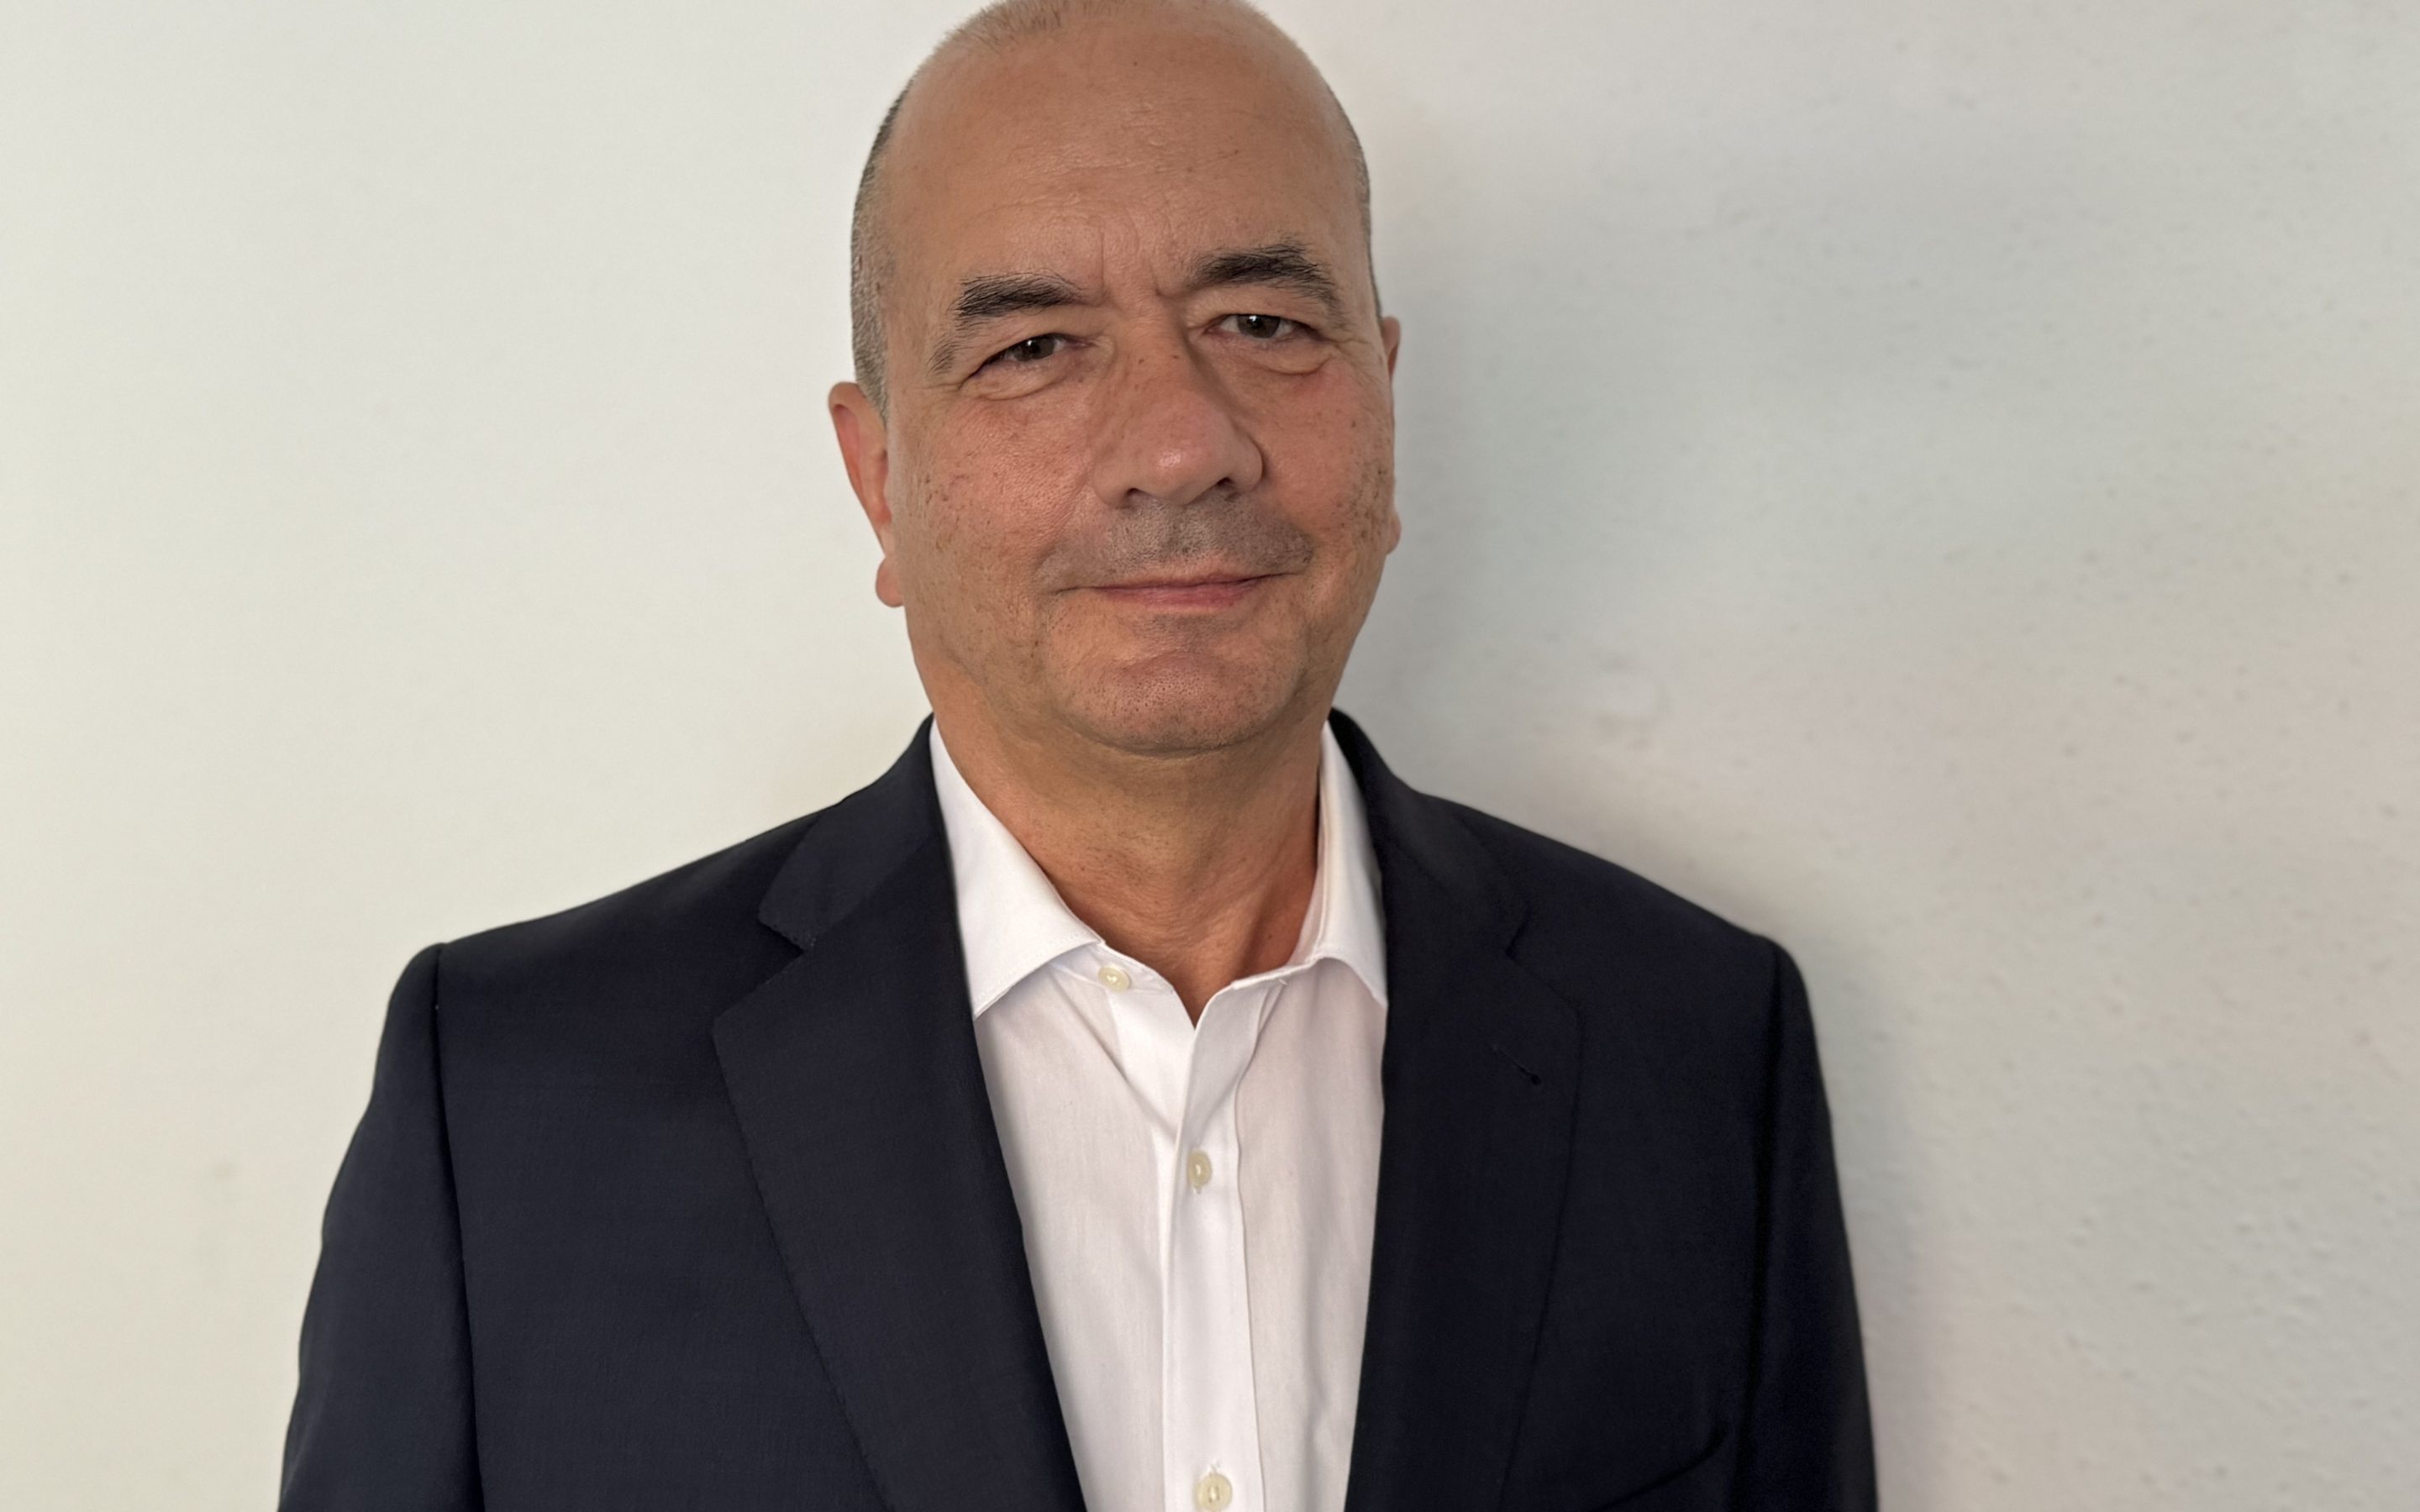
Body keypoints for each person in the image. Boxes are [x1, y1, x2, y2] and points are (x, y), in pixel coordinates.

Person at [279, 0, 1876, 1508]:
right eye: (1035, 346)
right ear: (879, 478)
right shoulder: (509, 1104)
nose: (1182, 444)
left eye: (1263, 321)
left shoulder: (1697, 1048)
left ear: (1385, 403)